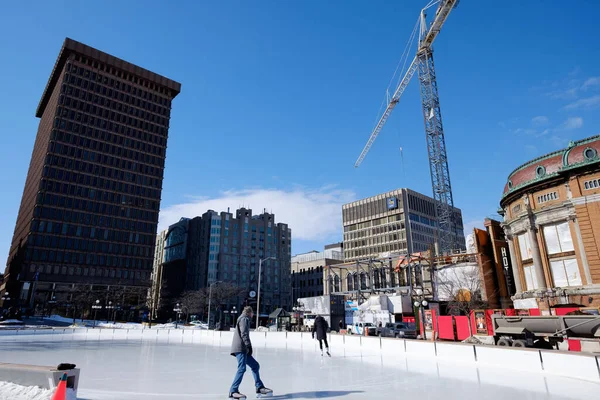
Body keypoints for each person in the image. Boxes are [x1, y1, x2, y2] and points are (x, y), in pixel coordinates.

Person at [229, 306, 272, 399]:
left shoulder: (244, 318)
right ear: (249, 312)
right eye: (253, 313)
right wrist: (248, 345)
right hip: (240, 348)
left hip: (243, 348)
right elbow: (244, 333)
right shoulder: (244, 319)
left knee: (255, 365)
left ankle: (259, 387)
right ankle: (233, 391)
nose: (253, 315)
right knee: (242, 368)